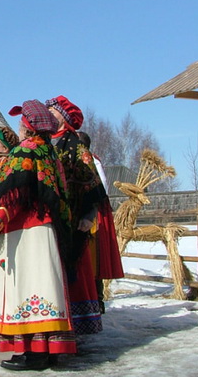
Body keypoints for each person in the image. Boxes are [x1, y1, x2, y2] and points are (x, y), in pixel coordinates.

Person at [0, 99, 75, 371]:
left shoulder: (25, 152)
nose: (19, 126)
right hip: (47, 230)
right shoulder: (50, 153)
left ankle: (32, 351)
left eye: (22, 122)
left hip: (25, 231)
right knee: (44, 288)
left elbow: (12, 195)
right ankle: (47, 348)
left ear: (30, 126)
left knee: (27, 287)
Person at [46, 95, 106, 334]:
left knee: (71, 269)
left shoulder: (74, 144)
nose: (49, 113)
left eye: (53, 110)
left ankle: (75, 325)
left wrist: (89, 214)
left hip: (72, 218)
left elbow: (92, 185)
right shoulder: (44, 142)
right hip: (50, 219)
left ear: (64, 116)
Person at [77, 131, 124, 312]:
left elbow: (101, 188)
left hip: (92, 213)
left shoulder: (92, 162)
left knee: (93, 256)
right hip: (81, 211)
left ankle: (97, 299)